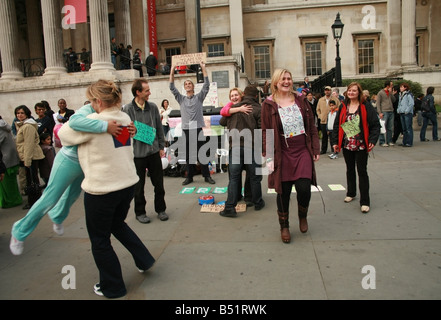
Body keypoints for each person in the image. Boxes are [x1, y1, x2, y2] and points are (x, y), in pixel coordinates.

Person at [58, 79, 155, 299]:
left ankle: (112, 286)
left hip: (102, 190)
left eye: (91, 101)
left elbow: (63, 134)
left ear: (98, 101)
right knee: (117, 225)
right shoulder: (124, 117)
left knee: (100, 240)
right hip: (126, 184)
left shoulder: (92, 120)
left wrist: (85, 110)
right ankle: (144, 259)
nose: (90, 105)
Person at [10, 103, 125, 256]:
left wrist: (134, 131)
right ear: (100, 99)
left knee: (72, 194)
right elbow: (74, 123)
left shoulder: (117, 115)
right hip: (68, 160)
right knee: (50, 198)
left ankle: (57, 216)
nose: (115, 104)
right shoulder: (87, 110)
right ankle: (19, 231)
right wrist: (105, 126)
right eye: (112, 100)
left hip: (86, 163)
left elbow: (123, 141)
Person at [261, 69, 320, 244]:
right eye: (282, 79)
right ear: (275, 83)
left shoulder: (301, 100)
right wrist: (268, 157)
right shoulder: (268, 104)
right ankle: (284, 226)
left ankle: (302, 215)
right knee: (283, 191)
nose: (286, 81)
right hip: (282, 152)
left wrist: (315, 148)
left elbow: (311, 126)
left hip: (302, 150)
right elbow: (265, 132)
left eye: (289, 78)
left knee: (304, 187)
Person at [123, 78, 169, 224]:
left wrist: (161, 146)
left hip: (154, 152)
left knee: (159, 184)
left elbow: (159, 128)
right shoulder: (128, 109)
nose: (150, 92)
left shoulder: (153, 107)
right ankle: (140, 212)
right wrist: (143, 133)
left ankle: (161, 209)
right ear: (138, 92)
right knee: (138, 186)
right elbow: (126, 132)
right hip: (137, 155)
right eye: (147, 90)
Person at [331, 82, 380, 214]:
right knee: (350, 169)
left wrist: (372, 140)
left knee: (362, 171)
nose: (351, 93)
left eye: (354, 90)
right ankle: (351, 192)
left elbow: (375, 125)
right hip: (347, 144)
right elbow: (337, 126)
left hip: (361, 144)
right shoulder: (343, 107)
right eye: (349, 91)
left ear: (359, 92)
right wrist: (335, 142)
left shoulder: (365, 106)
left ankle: (365, 201)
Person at [219, 85, 265, 217]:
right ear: (256, 96)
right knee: (255, 177)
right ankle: (257, 202)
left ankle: (229, 207)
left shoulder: (233, 108)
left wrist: (233, 109)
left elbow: (222, 121)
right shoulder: (257, 108)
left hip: (235, 147)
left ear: (244, 94)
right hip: (252, 147)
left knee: (234, 178)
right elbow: (262, 130)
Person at [169, 61, 216, 186]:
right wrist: (172, 70)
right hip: (186, 130)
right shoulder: (181, 99)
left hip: (198, 129)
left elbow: (206, 85)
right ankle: (189, 176)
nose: (188, 85)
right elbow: (171, 87)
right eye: (186, 84)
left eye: (190, 83)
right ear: (184, 87)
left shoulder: (199, 97)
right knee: (189, 154)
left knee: (202, 153)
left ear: (193, 86)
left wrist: (203, 68)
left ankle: (207, 176)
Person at [14, 105, 45, 209]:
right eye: (18, 113)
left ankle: (34, 202)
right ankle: (36, 201)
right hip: (28, 156)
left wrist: (27, 161)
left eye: (22, 113)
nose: (19, 115)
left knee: (32, 180)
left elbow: (29, 144)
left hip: (31, 157)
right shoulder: (23, 125)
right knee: (32, 179)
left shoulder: (27, 126)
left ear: (27, 114)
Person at [0, 115, 22, 208]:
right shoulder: (3, 126)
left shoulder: (1, 128)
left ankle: (12, 201)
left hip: (5, 160)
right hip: (9, 159)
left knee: (8, 183)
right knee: (9, 183)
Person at [317, 86, 339, 155]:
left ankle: (334, 149)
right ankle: (323, 149)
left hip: (332, 120)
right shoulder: (321, 100)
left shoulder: (335, 99)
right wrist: (320, 116)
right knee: (324, 136)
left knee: (333, 136)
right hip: (323, 120)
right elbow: (318, 110)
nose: (327, 91)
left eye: (328, 90)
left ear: (330, 91)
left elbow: (339, 107)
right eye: (326, 90)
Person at [377, 81, 396, 147]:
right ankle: (382, 141)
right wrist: (379, 112)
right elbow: (378, 103)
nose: (392, 86)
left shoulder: (390, 93)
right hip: (384, 111)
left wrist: (391, 93)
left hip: (391, 110)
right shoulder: (381, 93)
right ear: (388, 86)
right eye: (391, 85)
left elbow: (394, 100)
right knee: (382, 127)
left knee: (390, 127)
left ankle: (389, 140)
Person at [397, 83, 415, 148]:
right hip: (402, 112)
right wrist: (398, 109)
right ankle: (404, 142)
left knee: (408, 128)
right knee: (404, 129)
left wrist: (407, 110)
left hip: (407, 113)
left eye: (402, 87)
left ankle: (409, 142)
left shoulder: (408, 95)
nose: (400, 88)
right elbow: (399, 103)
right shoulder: (400, 95)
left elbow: (411, 104)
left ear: (405, 88)